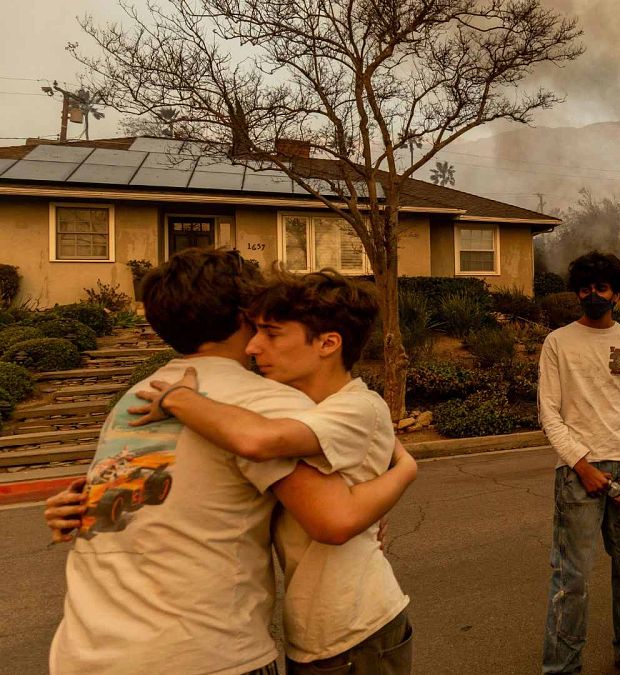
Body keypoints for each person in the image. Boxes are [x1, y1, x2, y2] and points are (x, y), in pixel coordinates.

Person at [42, 250, 414, 675]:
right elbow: (334, 518)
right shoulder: (267, 402)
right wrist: (406, 470)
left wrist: (70, 509)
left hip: (84, 651)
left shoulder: (138, 396)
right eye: (261, 325)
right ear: (245, 315)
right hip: (198, 654)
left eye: (272, 332)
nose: (259, 343)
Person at [539, 251, 620, 675]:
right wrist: (582, 465)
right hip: (579, 476)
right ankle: (562, 667)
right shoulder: (558, 342)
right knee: (571, 579)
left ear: (617, 292)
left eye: (601, 287)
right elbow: (550, 415)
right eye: (585, 287)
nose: (592, 295)